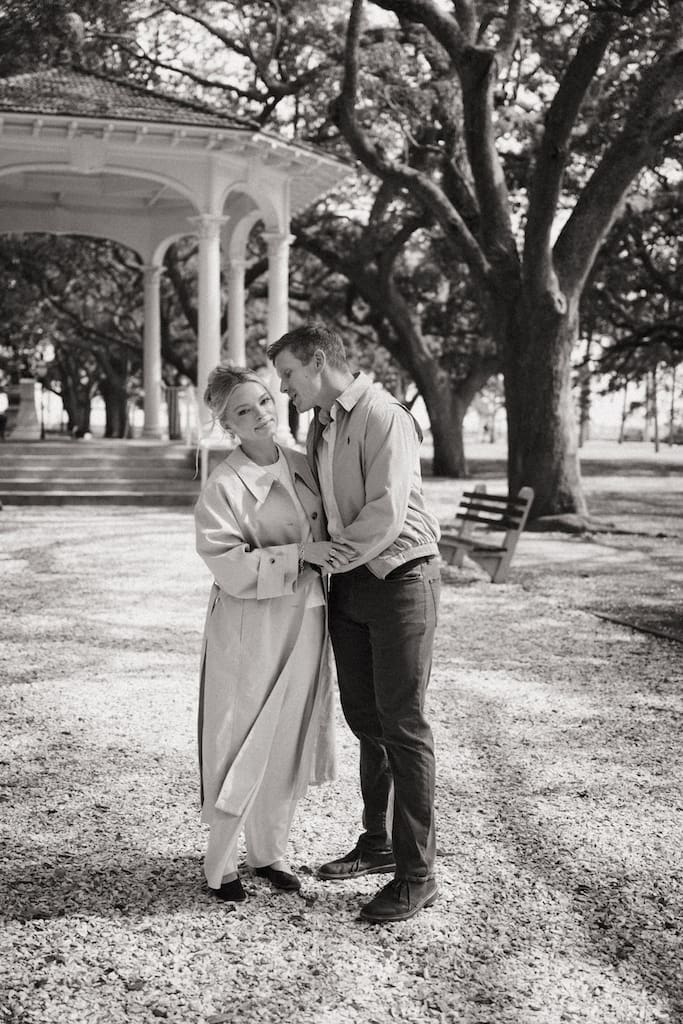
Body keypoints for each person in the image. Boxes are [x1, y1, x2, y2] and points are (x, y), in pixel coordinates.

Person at [268, 324, 442, 923]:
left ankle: (418, 875)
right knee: (366, 719)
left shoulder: (383, 414)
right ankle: (377, 843)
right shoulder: (319, 423)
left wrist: (328, 559)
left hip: (400, 580)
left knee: (404, 725)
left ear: (318, 362)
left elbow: (386, 511)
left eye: (289, 374)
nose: (285, 387)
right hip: (349, 585)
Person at [194, 365, 354, 903]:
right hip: (250, 622)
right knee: (238, 733)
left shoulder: (305, 465)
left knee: (289, 732)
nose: (261, 413)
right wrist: (298, 555)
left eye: (263, 400)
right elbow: (225, 561)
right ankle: (222, 863)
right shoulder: (223, 483)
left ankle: (270, 853)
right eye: (244, 410)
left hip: (307, 615)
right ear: (227, 425)